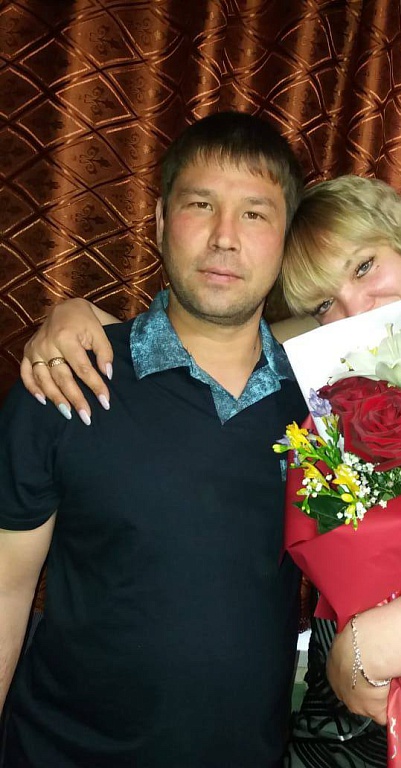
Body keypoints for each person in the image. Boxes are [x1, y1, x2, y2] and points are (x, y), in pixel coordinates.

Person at [18, 177, 401, 766]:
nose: (356, 309)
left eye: (365, 266)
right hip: (344, 733)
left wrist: (367, 649)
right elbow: (211, 350)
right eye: (322, 304)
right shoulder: (332, 377)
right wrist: (80, 320)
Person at [0, 110, 310, 768]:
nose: (225, 237)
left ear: (286, 240)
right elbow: (4, 590)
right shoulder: (67, 380)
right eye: (201, 204)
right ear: (162, 222)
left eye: (255, 213)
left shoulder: (322, 403)